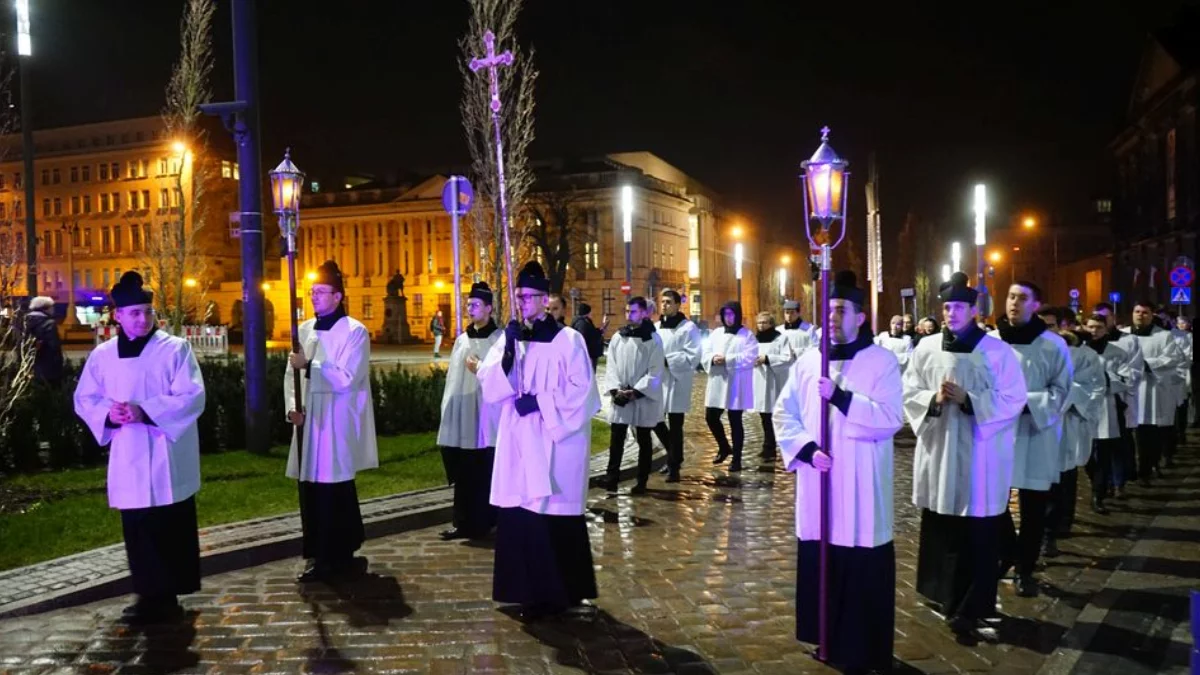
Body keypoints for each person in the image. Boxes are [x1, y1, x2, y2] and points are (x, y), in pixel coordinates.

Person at [774, 271, 902, 672]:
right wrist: (807, 450)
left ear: (860, 317)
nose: (831, 316)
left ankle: (862, 645)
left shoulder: (882, 362)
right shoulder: (810, 361)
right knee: (821, 558)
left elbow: (890, 418)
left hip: (861, 484)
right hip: (819, 483)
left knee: (859, 562)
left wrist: (844, 398)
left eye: (841, 310)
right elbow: (784, 412)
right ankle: (824, 636)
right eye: (828, 309)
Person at [73, 271, 206, 623]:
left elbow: (192, 395)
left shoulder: (175, 349)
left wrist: (144, 410)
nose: (143, 319)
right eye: (135, 313)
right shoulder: (102, 356)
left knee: (168, 521)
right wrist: (109, 413)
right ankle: (149, 594)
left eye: (148, 312)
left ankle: (171, 591)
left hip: (165, 451)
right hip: (129, 451)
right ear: (118, 316)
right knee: (138, 526)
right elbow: (85, 397)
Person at [905, 272, 1027, 639]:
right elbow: (908, 390)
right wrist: (933, 399)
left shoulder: (996, 350)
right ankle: (941, 594)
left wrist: (970, 400)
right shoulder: (926, 348)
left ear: (974, 310)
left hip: (980, 455)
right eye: (946, 306)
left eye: (958, 307)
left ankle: (974, 604)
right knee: (942, 525)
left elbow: (1013, 398)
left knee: (977, 531)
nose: (951, 313)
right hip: (940, 450)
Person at [478, 261, 601, 618]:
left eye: (531, 296)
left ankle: (560, 591)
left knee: (552, 512)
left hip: (553, 441)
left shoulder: (568, 340)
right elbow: (489, 385)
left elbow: (584, 393)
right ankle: (525, 590)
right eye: (519, 296)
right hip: (518, 440)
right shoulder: (510, 337)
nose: (525, 303)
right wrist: (509, 354)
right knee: (521, 512)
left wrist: (542, 403)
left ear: (545, 299)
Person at [286, 260, 379, 583]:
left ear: (338, 296)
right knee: (310, 488)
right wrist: (292, 408)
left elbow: (348, 377)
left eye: (321, 292)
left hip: (336, 420)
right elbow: (290, 375)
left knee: (334, 487)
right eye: (311, 292)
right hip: (308, 419)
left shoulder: (354, 331)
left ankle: (338, 553)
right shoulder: (305, 329)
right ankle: (316, 552)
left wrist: (311, 366)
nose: (313, 297)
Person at [992, 281, 1072, 598]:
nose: (1014, 303)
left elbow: (1062, 389)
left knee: (1033, 508)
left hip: (1036, 432)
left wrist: (1028, 403)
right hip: (998, 432)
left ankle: (1026, 569)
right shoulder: (991, 342)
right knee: (994, 501)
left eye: (1022, 298)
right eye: (1011, 296)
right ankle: (1007, 551)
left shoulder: (1053, 346)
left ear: (1035, 305)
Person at [437, 282, 502, 541]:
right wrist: (448, 408)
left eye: (475, 305)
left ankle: (487, 521)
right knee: (464, 472)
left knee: (485, 469)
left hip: (487, 415)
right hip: (463, 414)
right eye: (468, 305)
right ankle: (462, 522)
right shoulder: (462, 340)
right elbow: (453, 377)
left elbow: (501, 377)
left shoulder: (500, 339)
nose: (470, 309)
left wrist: (482, 368)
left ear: (489, 308)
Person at [1043, 324, 1105, 552]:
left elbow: (1094, 386)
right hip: (1035, 425)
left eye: (1050, 325)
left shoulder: (1082, 355)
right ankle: (1042, 531)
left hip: (1066, 421)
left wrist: (1067, 397)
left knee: (1063, 477)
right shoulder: (1028, 349)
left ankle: (1058, 525)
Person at [603, 296, 665, 494]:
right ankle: (611, 477)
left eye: (634, 311)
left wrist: (637, 391)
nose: (629, 315)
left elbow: (655, 370)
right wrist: (615, 390)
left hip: (641, 397)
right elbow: (611, 365)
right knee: (617, 438)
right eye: (627, 311)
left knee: (644, 439)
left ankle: (642, 480)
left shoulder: (653, 339)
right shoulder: (618, 337)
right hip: (621, 394)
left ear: (644, 313)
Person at [1124, 300, 1186, 485]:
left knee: (1147, 434)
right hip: (1126, 390)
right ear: (1132, 313)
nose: (1140, 315)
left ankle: (1146, 469)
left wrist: (1144, 364)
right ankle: (1125, 472)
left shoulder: (1164, 336)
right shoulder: (1122, 335)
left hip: (1149, 391)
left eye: (1145, 312)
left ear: (1151, 315)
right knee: (1124, 435)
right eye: (1137, 311)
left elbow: (1172, 358)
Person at [1082, 314, 1133, 514]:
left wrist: (1105, 382)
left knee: (1102, 453)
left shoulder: (1117, 352)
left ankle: (1098, 495)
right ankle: (1098, 482)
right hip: (1084, 406)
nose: (1094, 331)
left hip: (1106, 408)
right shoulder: (1080, 352)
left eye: (1099, 327)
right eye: (1091, 327)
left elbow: (1127, 378)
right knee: (1086, 455)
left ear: (1106, 329)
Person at [1092, 302, 1143, 495]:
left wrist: (1108, 382)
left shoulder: (1128, 341)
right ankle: (1102, 484)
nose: (1098, 324)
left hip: (1118, 401)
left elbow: (1133, 373)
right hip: (1092, 404)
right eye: (1095, 320)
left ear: (1112, 319)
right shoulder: (1085, 347)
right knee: (1096, 450)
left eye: (1103, 319)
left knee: (1118, 445)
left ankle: (1118, 481)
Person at [652, 289, 701, 482]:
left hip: (676, 381)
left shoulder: (688, 328)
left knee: (675, 424)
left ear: (678, 305)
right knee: (655, 420)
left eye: (668, 302)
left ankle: (674, 467)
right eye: (662, 302)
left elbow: (693, 356)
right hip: (657, 381)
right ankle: (675, 455)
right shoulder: (656, 327)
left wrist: (667, 360)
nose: (664, 305)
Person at [703, 301, 758, 473]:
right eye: (726, 314)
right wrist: (712, 358)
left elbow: (750, 357)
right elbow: (705, 351)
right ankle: (724, 446)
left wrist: (728, 359)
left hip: (736, 382)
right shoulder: (716, 334)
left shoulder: (747, 335)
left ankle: (737, 458)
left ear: (738, 315)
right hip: (718, 381)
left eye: (732, 314)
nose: (729, 318)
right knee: (711, 416)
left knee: (735, 420)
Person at [752, 311, 795, 462]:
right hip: (759, 380)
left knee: (775, 416)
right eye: (759, 323)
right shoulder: (753, 340)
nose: (761, 326)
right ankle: (768, 446)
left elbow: (787, 358)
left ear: (771, 324)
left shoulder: (780, 339)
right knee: (764, 415)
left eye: (764, 323)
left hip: (774, 382)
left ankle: (779, 446)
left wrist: (768, 359)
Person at [22, 296, 64, 386]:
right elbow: (54, 346)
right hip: (49, 367)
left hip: (28, 365)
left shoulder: (24, 322)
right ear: (45, 308)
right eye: (52, 307)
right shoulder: (49, 324)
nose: (53, 309)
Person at [570, 302, 606, 372]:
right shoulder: (582, 323)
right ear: (587, 313)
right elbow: (586, 337)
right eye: (590, 312)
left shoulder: (584, 322)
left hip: (589, 353)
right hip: (588, 354)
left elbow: (591, 333)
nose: (591, 314)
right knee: (589, 375)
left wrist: (600, 330)